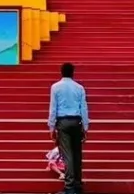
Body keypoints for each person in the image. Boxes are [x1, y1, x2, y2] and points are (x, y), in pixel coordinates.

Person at [48, 62, 88, 194]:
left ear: (61, 72)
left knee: (67, 154)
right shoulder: (79, 88)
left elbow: (53, 108)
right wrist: (86, 127)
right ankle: (77, 183)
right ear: (73, 72)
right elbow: (84, 108)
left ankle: (70, 186)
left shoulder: (55, 87)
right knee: (77, 153)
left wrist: (51, 127)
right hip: (77, 121)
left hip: (63, 122)